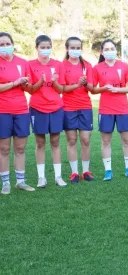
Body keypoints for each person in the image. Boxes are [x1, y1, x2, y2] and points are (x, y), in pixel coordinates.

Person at [92, 39, 128, 181]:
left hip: (123, 109)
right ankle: (108, 171)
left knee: (127, 139)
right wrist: (103, 88)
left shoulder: (124, 66)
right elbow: (93, 89)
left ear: (116, 50)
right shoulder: (97, 68)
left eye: (112, 48)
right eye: (107, 49)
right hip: (105, 110)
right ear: (102, 52)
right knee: (106, 141)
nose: (110, 51)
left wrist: (117, 89)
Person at [28, 35, 67, 188]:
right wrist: (41, 81)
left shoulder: (58, 65)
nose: (45, 50)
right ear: (36, 48)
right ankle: (41, 177)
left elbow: (61, 89)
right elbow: (30, 90)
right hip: (37, 108)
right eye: (42, 47)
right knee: (40, 142)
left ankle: (58, 176)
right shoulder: (29, 65)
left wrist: (55, 81)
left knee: (56, 141)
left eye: (48, 47)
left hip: (56, 107)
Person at [0, 32, 35, 194]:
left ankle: (20, 181)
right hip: (2, 111)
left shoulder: (23, 62)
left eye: (7, 43)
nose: (5, 47)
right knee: (4, 149)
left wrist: (26, 83)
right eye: (1, 45)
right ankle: (5, 182)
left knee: (20, 148)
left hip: (21, 110)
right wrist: (15, 82)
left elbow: (29, 87)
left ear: (13, 44)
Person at [62, 37, 95, 183]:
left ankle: (86, 171)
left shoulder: (87, 66)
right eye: (72, 47)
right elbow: (62, 88)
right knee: (71, 140)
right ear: (67, 49)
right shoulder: (62, 66)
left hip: (85, 107)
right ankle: (74, 172)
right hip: (68, 107)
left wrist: (85, 83)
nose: (76, 50)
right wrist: (76, 84)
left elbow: (93, 89)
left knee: (85, 140)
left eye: (78, 47)